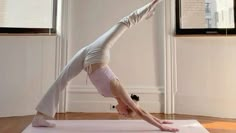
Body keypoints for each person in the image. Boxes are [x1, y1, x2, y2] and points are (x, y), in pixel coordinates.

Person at [32, 0, 179, 132]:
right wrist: (161, 126)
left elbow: (141, 110)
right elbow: (140, 112)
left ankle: (39, 118)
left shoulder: (114, 96)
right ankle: (151, 6)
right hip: (98, 53)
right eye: (124, 113)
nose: (120, 114)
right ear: (127, 107)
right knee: (125, 23)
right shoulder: (120, 91)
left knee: (61, 80)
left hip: (86, 59)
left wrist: (160, 119)